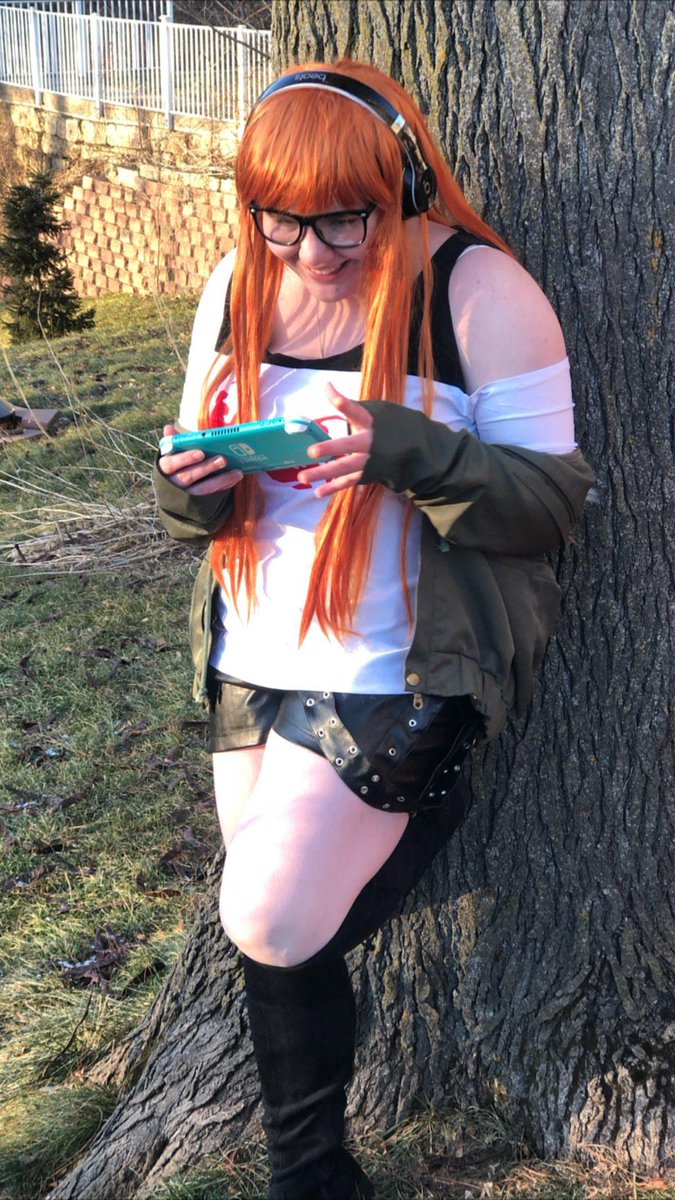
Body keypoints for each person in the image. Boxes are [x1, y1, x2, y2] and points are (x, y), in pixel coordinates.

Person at [153, 59, 594, 1200]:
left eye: (342, 219)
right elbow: (192, 491)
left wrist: (404, 450)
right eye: (280, 219)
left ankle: (310, 1177)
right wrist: (194, 486)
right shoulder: (237, 283)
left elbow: (550, 505)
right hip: (250, 656)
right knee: (272, 930)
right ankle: (313, 1177)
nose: (310, 252)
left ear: (400, 182)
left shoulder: (476, 291)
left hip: (400, 666)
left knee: (267, 915)